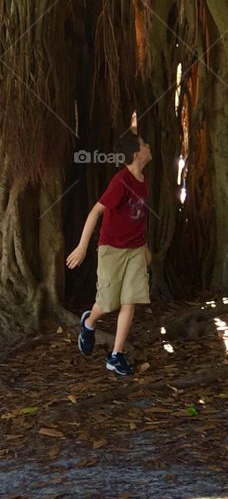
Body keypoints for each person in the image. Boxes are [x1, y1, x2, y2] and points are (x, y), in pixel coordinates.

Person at [66, 131, 152, 377]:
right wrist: (82, 247)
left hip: (135, 249)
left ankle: (116, 355)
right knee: (107, 303)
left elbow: (139, 218)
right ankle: (88, 323)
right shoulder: (121, 181)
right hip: (112, 249)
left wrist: (144, 248)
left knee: (130, 300)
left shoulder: (143, 179)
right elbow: (95, 212)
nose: (148, 146)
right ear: (137, 153)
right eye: (144, 144)